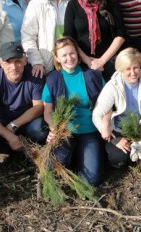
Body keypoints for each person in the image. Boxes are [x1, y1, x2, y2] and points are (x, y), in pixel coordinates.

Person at [42, 37, 105, 186]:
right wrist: (54, 129)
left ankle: (84, 160)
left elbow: (107, 103)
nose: (69, 58)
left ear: (77, 54)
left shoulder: (92, 75)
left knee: (92, 180)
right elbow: (47, 112)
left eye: (72, 53)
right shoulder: (52, 79)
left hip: (90, 130)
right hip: (66, 131)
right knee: (57, 167)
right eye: (64, 55)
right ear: (57, 58)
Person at [92, 48, 141, 168]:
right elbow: (96, 114)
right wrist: (115, 139)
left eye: (136, 67)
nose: (133, 72)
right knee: (119, 160)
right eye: (128, 69)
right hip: (119, 131)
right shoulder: (113, 85)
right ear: (121, 69)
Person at [0, 42, 48, 153]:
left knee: (40, 129)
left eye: (18, 61)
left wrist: (14, 125)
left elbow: (39, 107)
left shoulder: (34, 75)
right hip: (2, 120)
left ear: (25, 60)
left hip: (26, 120)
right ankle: (11, 150)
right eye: (8, 63)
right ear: (1, 63)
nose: (14, 67)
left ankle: (29, 148)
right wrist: (9, 136)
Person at [64, 0, 126, 81]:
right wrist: (88, 60)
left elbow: (121, 34)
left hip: (109, 62)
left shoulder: (111, 3)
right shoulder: (73, 6)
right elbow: (69, 37)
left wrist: (101, 61)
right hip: (82, 63)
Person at [22, 0, 74, 78]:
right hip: (46, 62)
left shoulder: (74, 2)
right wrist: (37, 61)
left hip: (69, 60)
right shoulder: (36, 4)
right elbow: (28, 36)